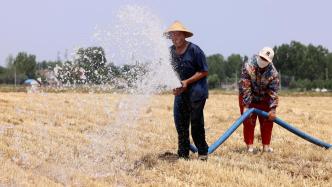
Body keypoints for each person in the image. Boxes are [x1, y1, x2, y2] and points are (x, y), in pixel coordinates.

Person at [164, 21, 209, 160]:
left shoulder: (195, 50)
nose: (174, 37)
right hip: (181, 92)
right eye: (172, 35)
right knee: (180, 123)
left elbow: (204, 71)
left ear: (184, 36)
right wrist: (174, 85)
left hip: (197, 92)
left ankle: (202, 152)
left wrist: (187, 82)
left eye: (177, 34)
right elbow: (168, 71)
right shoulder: (170, 51)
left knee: (196, 122)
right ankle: (183, 154)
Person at [238, 47, 280, 153]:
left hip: (264, 98)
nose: (263, 60)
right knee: (248, 121)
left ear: (269, 61)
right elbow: (245, 86)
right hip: (248, 97)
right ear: (258, 55)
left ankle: (266, 146)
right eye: (262, 57)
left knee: (267, 121)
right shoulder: (248, 66)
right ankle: (249, 147)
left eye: (266, 59)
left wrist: (273, 109)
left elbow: (273, 92)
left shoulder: (273, 73)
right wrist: (246, 106)